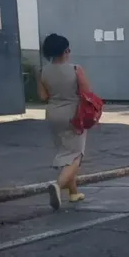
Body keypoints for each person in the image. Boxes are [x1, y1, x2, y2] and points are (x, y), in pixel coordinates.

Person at [37, 33, 92, 210]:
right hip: (74, 114)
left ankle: (74, 192)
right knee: (76, 155)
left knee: (66, 151)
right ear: (66, 50)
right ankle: (58, 185)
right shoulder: (76, 69)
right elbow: (86, 92)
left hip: (53, 114)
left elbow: (43, 96)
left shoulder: (42, 71)